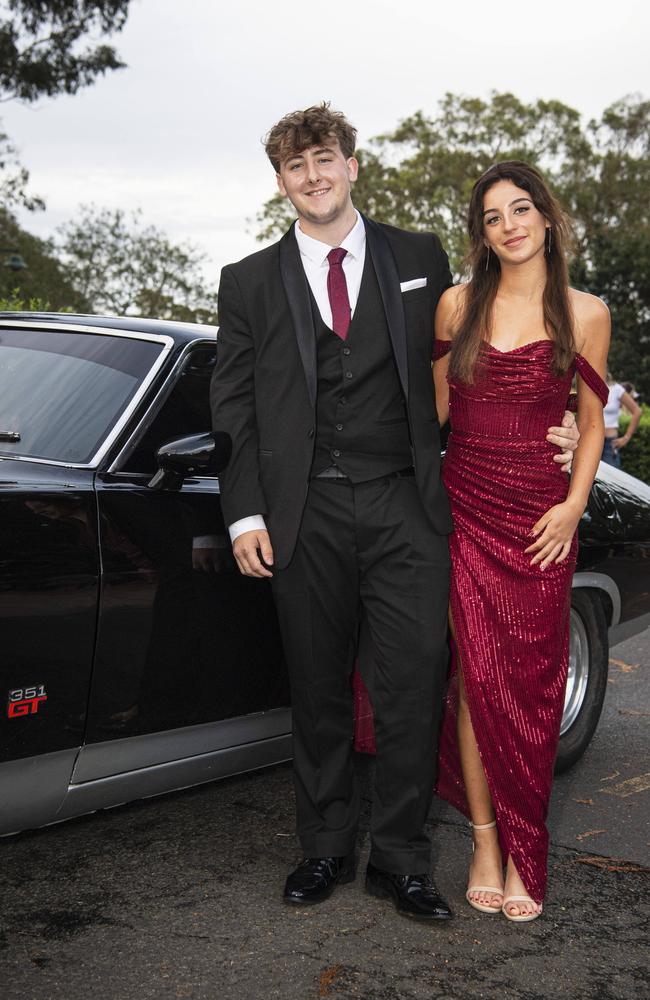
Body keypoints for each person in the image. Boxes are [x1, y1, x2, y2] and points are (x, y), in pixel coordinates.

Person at [210, 106, 579, 921]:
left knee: (414, 686)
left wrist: (555, 422)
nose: (313, 176)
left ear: (351, 165)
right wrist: (245, 516)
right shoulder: (247, 282)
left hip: (408, 506)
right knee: (317, 689)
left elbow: (480, 357)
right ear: (281, 183)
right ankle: (325, 849)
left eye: (325, 159)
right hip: (301, 512)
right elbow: (232, 406)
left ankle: (404, 862)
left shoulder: (419, 258)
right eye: (295, 166)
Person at [432, 161, 610, 922]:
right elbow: (433, 416)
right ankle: (483, 841)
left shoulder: (586, 313)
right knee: (476, 681)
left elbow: (594, 425)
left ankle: (523, 840)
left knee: (532, 689)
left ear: (546, 218)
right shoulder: (455, 306)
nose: (509, 224)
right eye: (493, 215)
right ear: (482, 232)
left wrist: (573, 505)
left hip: (541, 520)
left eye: (521, 209)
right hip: (465, 509)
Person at [602, 373, 641, 467]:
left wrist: (626, 437)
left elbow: (637, 411)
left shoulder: (616, 389)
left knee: (610, 478)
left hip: (609, 443)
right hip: (589, 441)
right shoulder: (588, 387)